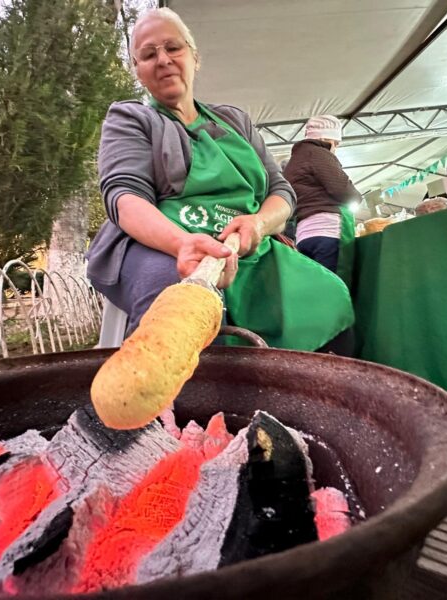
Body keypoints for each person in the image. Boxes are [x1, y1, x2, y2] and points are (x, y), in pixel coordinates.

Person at [85, 8, 354, 353]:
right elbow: (125, 198)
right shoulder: (130, 118)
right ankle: (164, 387)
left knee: (329, 296)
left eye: (173, 48)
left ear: (195, 58)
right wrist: (183, 244)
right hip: (164, 243)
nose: (163, 59)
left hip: (248, 246)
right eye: (149, 54)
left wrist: (259, 223)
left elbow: (280, 191)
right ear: (138, 70)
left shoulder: (234, 120)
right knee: (179, 298)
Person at [284, 115, 362, 282]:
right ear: (326, 138)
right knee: (334, 286)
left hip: (303, 235)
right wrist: (357, 197)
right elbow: (344, 190)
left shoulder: (294, 161)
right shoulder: (319, 153)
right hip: (327, 231)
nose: (335, 148)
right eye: (336, 143)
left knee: (317, 287)